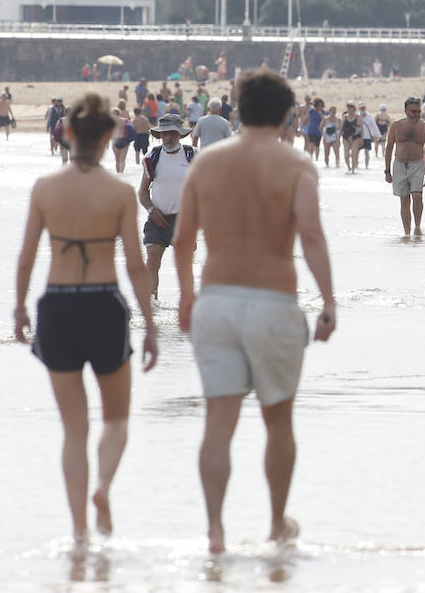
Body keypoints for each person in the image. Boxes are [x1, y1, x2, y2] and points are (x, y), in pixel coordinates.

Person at [172, 69, 337, 554]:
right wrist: (328, 301)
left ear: (238, 109)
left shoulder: (206, 163)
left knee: (218, 422)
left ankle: (216, 532)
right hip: (273, 302)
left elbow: (183, 240)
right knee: (278, 420)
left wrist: (185, 296)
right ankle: (274, 523)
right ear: (289, 113)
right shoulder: (297, 167)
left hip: (216, 300)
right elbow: (310, 235)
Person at [12, 93, 158, 545]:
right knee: (116, 419)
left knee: (74, 427)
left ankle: (78, 532)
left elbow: (26, 257)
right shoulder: (118, 193)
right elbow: (136, 266)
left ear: (68, 133)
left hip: (57, 304)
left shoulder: (45, 188)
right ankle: (103, 489)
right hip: (103, 303)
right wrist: (151, 324)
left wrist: (18, 308)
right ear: (111, 136)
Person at [138, 113, 196, 300]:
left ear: (180, 134)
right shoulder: (151, 157)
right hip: (157, 218)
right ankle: (151, 305)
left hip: (184, 220)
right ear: (159, 135)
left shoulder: (193, 155)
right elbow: (143, 191)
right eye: (164, 134)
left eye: (172, 133)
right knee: (152, 261)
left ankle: (188, 304)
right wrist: (151, 211)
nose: (168, 138)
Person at [384, 97, 425, 236]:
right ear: (406, 111)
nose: (417, 114)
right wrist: (387, 171)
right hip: (399, 165)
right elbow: (389, 148)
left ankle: (417, 226)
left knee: (417, 196)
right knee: (404, 200)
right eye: (413, 111)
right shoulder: (396, 125)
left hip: (417, 165)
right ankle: (407, 233)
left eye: (418, 111)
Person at [112, 107, 135, 173]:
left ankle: (118, 173)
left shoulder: (112, 122)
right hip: (125, 140)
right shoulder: (125, 120)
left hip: (115, 140)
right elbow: (131, 129)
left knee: (117, 160)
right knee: (122, 159)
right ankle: (122, 173)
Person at [341, 103, 363, 173]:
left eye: (351, 107)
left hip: (356, 137)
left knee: (354, 153)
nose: (349, 109)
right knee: (346, 154)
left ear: (354, 108)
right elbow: (341, 128)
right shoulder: (344, 117)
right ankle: (348, 167)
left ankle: (353, 169)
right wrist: (338, 139)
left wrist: (362, 139)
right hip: (346, 137)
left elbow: (362, 129)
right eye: (348, 107)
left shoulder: (358, 117)